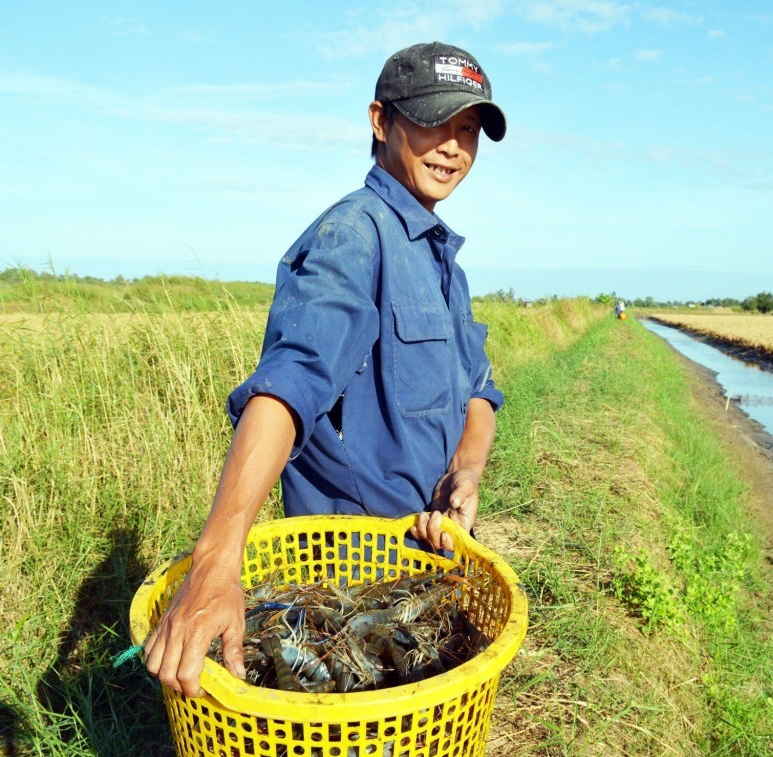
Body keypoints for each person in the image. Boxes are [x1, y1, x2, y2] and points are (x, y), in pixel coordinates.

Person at [144, 42, 506, 697]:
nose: (453, 146)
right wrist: (218, 556)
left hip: (427, 565)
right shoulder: (353, 236)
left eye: (468, 131)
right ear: (380, 120)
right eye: (434, 122)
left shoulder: (440, 257)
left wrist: (466, 473)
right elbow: (289, 385)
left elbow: (480, 390)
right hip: (342, 586)